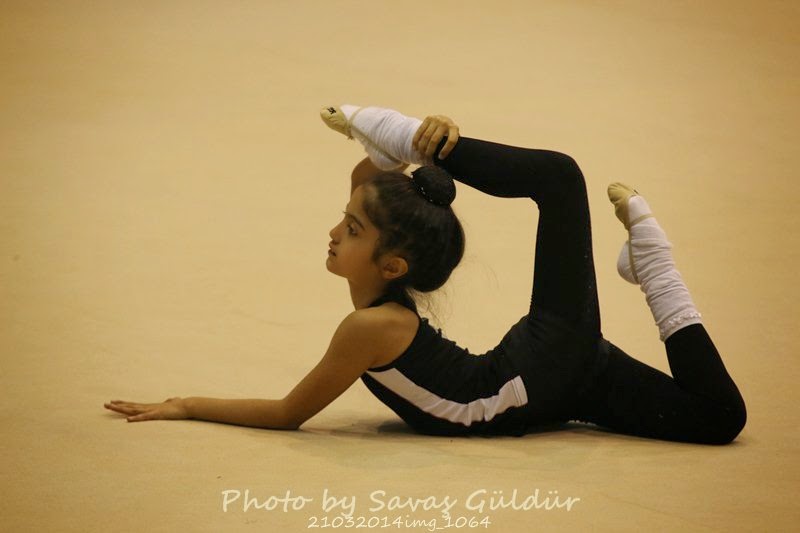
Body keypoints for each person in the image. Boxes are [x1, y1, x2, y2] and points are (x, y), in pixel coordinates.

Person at [104, 105, 746, 445]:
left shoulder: (370, 326)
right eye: (345, 222)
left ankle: (650, 262)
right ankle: (654, 266)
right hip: (548, 387)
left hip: (544, 372)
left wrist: (186, 405)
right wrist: (394, 161)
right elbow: (367, 183)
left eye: (351, 228)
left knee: (559, 177)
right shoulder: (382, 308)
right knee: (719, 420)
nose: (333, 232)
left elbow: (287, 412)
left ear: (392, 265)